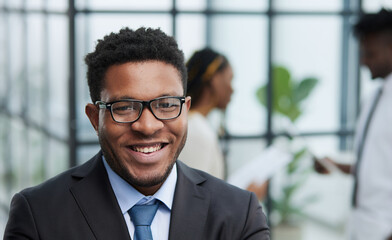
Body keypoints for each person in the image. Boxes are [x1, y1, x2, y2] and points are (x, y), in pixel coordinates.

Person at [3, 27, 270, 240]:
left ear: (185, 109)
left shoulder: (241, 214)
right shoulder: (38, 215)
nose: (147, 126)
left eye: (166, 105)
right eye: (125, 107)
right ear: (95, 118)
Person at [314, 9, 392, 240]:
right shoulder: (374, 97)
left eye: (370, 53)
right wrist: (337, 165)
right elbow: (378, 165)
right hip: (362, 226)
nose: (362, 61)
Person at [179, 48, 268, 200]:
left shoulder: (193, 124)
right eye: (230, 79)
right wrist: (245, 198)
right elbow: (196, 201)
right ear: (215, 79)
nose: (232, 89)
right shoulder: (196, 131)